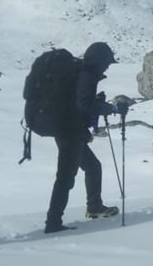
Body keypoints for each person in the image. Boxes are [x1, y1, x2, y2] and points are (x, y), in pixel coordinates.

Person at [44, 42, 124, 233]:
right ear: (99, 59)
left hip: (68, 129)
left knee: (91, 167)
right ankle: (53, 222)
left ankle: (93, 207)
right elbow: (83, 105)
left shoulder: (81, 72)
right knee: (66, 177)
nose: (107, 66)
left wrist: (96, 103)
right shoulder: (87, 74)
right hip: (69, 131)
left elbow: (78, 102)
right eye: (107, 62)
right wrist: (110, 108)